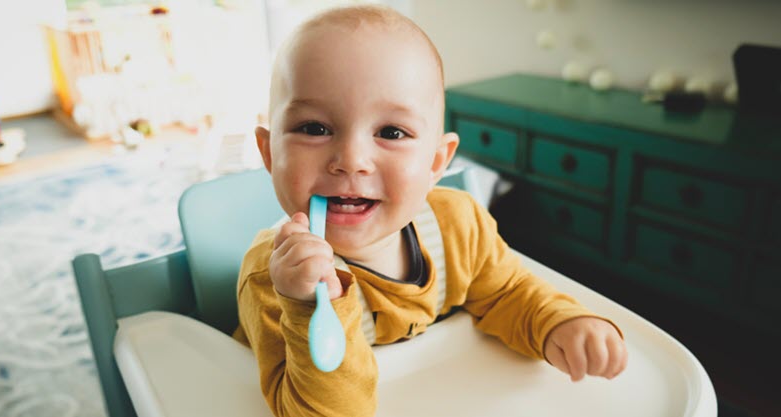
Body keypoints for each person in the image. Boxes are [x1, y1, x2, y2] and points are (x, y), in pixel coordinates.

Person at [232, 5, 627, 416]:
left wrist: (559, 324)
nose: (351, 159)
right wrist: (308, 306)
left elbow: (507, 293)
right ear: (269, 151)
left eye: (391, 132)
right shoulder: (273, 278)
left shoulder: (458, 226)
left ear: (437, 162)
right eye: (315, 128)